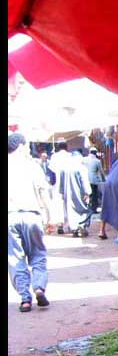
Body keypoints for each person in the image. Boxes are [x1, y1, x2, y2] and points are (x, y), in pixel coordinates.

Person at [8, 133, 51, 312]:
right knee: (38, 254)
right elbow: (43, 192)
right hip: (32, 215)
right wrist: (49, 216)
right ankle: (39, 287)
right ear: (20, 146)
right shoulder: (32, 166)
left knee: (15, 258)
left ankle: (25, 299)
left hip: (10, 217)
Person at [50, 141, 92, 237]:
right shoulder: (81, 168)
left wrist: (61, 192)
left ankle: (74, 228)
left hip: (67, 193)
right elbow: (84, 181)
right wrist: (87, 193)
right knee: (83, 210)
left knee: (69, 210)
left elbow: (57, 180)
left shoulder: (64, 167)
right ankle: (81, 226)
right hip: (79, 194)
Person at [82, 147, 105, 213]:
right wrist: (104, 180)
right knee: (94, 195)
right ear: (95, 153)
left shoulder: (84, 159)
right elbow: (101, 171)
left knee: (86, 194)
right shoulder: (97, 161)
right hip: (93, 181)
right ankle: (94, 209)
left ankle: (86, 207)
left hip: (85, 180)